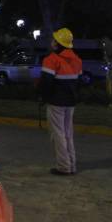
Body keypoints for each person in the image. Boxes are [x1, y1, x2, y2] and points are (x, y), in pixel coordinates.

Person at [36, 28, 83, 176]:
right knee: (68, 133)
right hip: (71, 102)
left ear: (58, 43)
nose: (52, 42)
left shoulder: (51, 60)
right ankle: (71, 165)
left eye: (54, 40)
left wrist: (43, 98)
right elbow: (79, 83)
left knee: (58, 134)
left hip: (56, 102)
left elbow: (46, 84)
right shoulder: (77, 60)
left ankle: (63, 166)